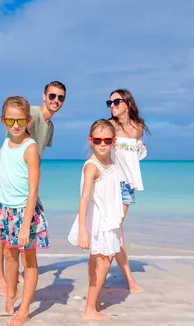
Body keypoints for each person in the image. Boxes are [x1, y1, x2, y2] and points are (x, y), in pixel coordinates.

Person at [0, 81, 66, 297]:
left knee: (19, 228)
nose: (55, 101)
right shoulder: (30, 112)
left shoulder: (50, 126)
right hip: (1, 173)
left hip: (21, 180)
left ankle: (13, 276)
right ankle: (1, 282)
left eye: (60, 98)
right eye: (52, 96)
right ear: (44, 96)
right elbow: (13, 128)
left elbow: (35, 152)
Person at [0, 96, 49, 326]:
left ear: (29, 120)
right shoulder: (7, 139)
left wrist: (26, 223)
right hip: (5, 209)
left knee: (29, 260)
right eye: (9, 121)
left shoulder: (30, 148)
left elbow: (34, 188)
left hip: (25, 211)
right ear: (3, 121)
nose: (15, 126)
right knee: (8, 253)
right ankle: (10, 296)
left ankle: (24, 310)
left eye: (20, 121)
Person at [68, 119, 124, 321]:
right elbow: (84, 198)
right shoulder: (92, 166)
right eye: (98, 139)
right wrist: (83, 229)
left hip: (109, 220)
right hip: (98, 222)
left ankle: (94, 299)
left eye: (107, 140)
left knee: (97, 261)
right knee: (104, 263)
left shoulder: (110, 162)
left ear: (113, 141)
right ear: (90, 140)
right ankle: (89, 309)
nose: (102, 144)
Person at [107, 89, 149, 293]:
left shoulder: (137, 127)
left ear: (127, 103)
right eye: (110, 102)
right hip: (110, 182)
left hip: (127, 185)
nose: (112, 105)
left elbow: (133, 154)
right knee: (112, 229)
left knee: (115, 230)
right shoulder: (109, 126)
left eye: (116, 101)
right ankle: (128, 279)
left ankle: (115, 277)